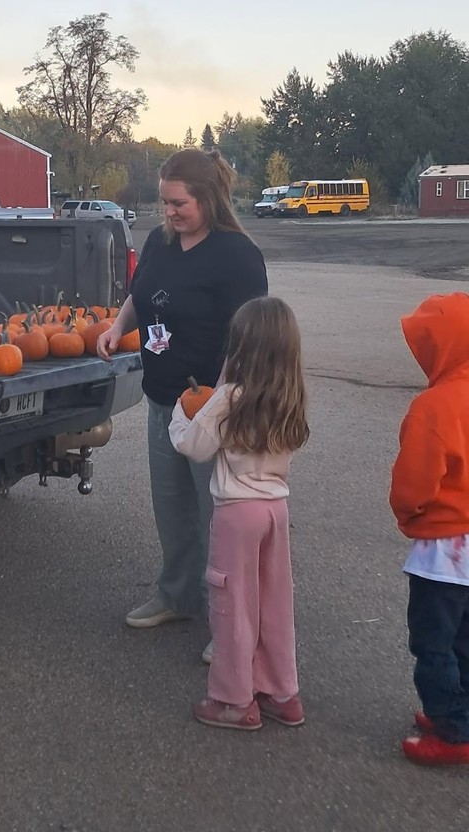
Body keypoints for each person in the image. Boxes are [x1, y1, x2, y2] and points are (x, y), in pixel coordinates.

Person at [97, 149, 267, 653]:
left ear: (208, 199)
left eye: (178, 203)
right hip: (162, 401)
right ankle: (178, 595)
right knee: (172, 509)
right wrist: (117, 326)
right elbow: (140, 293)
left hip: (214, 409)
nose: (169, 212)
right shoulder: (160, 242)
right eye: (165, 202)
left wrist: (225, 398)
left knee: (216, 515)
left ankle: (232, 621)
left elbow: (252, 336)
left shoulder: (237, 256)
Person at [169, 296, 309, 730]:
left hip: (236, 514)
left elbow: (194, 446)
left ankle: (233, 700)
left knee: (232, 608)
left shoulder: (228, 397)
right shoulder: (292, 395)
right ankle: (282, 692)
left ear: (240, 350)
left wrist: (181, 413)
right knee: (273, 603)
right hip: (275, 510)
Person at [389, 292, 469, 765]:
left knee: (432, 640)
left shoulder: (435, 406)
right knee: (464, 638)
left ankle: (453, 730)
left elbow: (413, 483)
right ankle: (460, 709)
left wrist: (407, 514)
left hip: (444, 551)